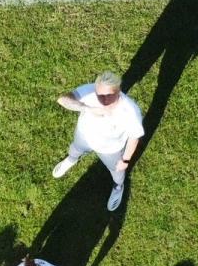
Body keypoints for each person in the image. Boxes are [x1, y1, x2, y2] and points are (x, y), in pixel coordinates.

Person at [52, 71, 146, 211]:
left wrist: (125, 160)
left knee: (117, 170)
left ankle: (118, 186)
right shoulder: (90, 90)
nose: (103, 100)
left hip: (110, 149)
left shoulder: (129, 111)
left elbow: (134, 138)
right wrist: (88, 109)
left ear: (118, 91)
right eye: (100, 95)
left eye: (109, 96)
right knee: (75, 149)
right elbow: (63, 100)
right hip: (84, 136)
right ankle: (71, 160)